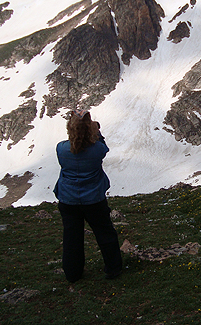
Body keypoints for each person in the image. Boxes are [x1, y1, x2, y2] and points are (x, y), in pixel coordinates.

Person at [53, 109, 122, 282]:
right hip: (94, 199)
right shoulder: (97, 149)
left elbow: (74, 146)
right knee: (105, 233)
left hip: (68, 199)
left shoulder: (61, 148)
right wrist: (96, 132)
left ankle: (72, 273)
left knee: (71, 237)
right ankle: (113, 268)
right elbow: (103, 147)